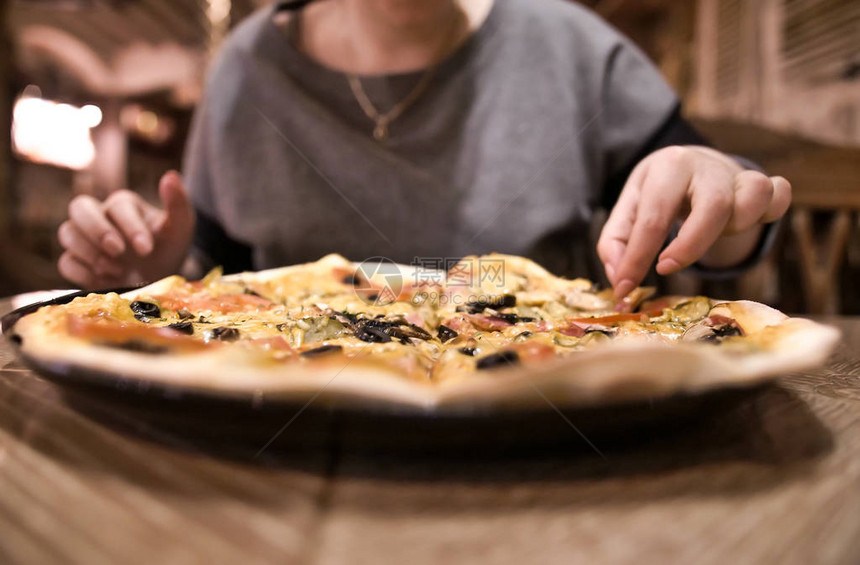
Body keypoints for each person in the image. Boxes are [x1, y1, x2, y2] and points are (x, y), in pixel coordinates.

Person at [57, 0, 791, 299]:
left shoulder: (564, 41)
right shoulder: (245, 68)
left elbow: (728, 223)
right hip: (275, 447)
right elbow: (214, 278)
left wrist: (721, 195)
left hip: (546, 436)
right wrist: (154, 273)